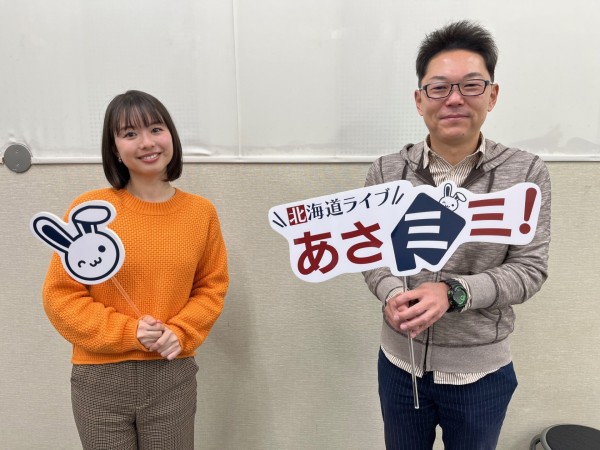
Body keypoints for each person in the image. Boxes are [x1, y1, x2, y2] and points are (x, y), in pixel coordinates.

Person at [363, 21, 551, 449]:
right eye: (439, 87)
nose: (453, 99)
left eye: (470, 85)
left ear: (492, 95)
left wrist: (454, 292)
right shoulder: (387, 171)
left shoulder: (525, 172)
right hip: (399, 364)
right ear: (419, 99)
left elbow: (530, 269)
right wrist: (391, 292)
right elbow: (372, 254)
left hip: (480, 372)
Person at [41, 90, 229, 449]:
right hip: (99, 380)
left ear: (171, 135)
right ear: (114, 148)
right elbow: (60, 297)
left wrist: (182, 331)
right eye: (130, 134)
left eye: (156, 129)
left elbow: (211, 287)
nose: (147, 142)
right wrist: (129, 331)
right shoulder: (90, 209)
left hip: (172, 375)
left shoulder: (200, 213)